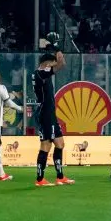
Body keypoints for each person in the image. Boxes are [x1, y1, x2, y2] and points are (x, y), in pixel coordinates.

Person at [31, 50, 74, 186]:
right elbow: (61, 64)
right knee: (46, 145)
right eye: (52, 64)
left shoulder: (42, 73)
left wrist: (57, 57)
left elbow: (59, 64)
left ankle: (60, 177)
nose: (53, 67)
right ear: (47, 63)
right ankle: (40, 179)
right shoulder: (41, 73)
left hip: (50, 113)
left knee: (60, 144)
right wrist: (59, 53)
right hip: (45, 114)